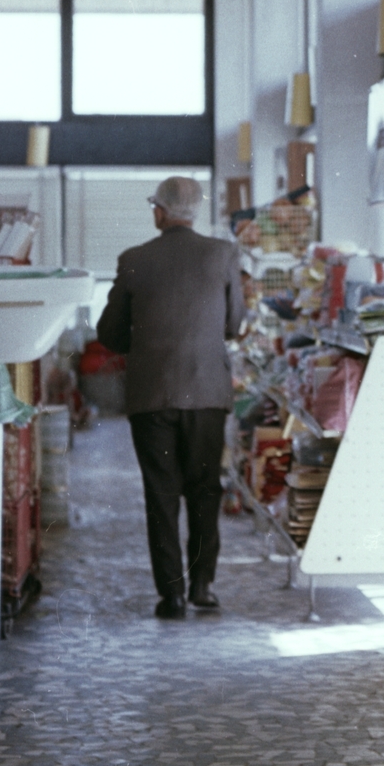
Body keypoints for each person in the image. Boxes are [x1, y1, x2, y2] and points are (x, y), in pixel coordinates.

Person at [96, 176, 243, 618]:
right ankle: (203, 586)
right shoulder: (223, 255)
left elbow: (109, 332)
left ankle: (172, 595)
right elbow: (234, 324)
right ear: (195, 211)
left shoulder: (135, 259)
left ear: (159, 211)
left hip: (152, 396)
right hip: (207, 394)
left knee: (160, 493)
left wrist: (144, 344)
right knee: (204, 491)